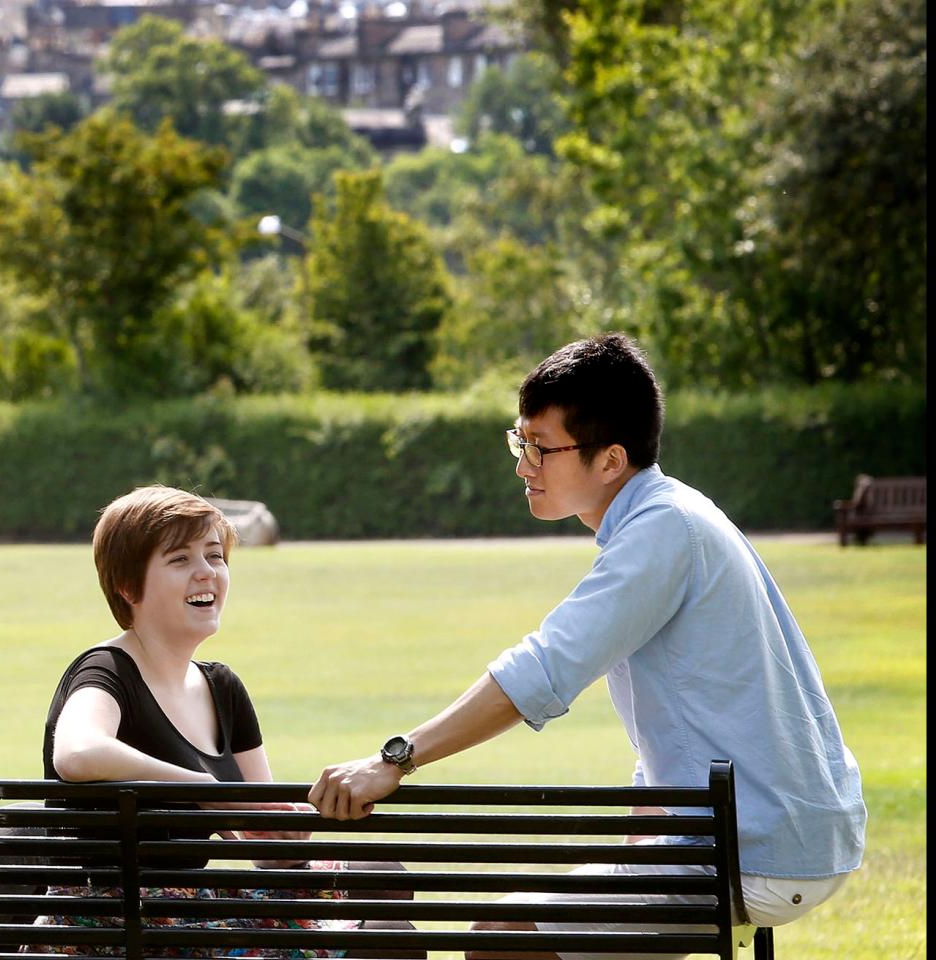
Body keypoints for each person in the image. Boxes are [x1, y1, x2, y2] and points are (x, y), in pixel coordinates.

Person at [308, 334, 865, 959]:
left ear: (610, 460)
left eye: (542, 449)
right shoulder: (673, 515)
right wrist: (637, 844)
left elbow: (540, 671)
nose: (524, 465)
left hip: (754, 851)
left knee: (504, 939)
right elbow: (686, 715)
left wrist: (395, 760)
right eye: (520, 442)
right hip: (776, 835)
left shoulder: (662, 530)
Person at [39, 485, 416, 959]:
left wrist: (286, 837)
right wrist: (203, 787)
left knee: (381, 879)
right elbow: (76, 752)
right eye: (179, 559)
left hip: (193, 916)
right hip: (119, 925)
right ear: (129, 586)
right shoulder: (106, 671)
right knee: (379, 937)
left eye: (215, 556)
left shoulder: (222, 688)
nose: (206, 572)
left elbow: (260, 842)